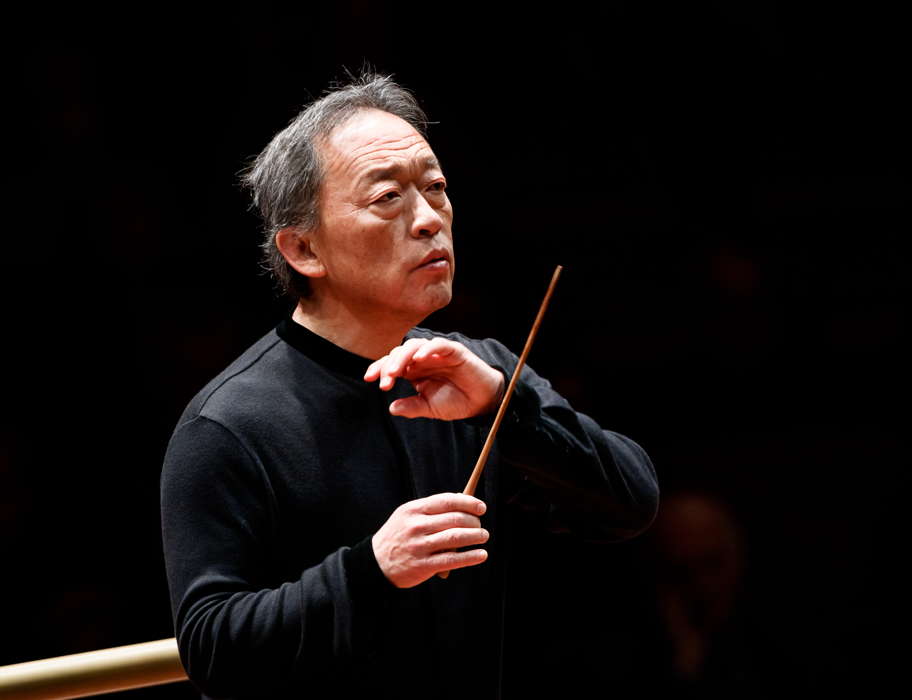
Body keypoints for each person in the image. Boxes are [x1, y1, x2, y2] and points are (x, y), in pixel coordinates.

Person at [159, 73, 659, 699]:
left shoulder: (476, 369)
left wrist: (508, 405)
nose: (428, 220)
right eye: (388, 198)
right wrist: (372, 569)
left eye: (436, 189)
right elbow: (212, 650)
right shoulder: (230, 422)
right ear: (303, 249)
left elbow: (630, 505)